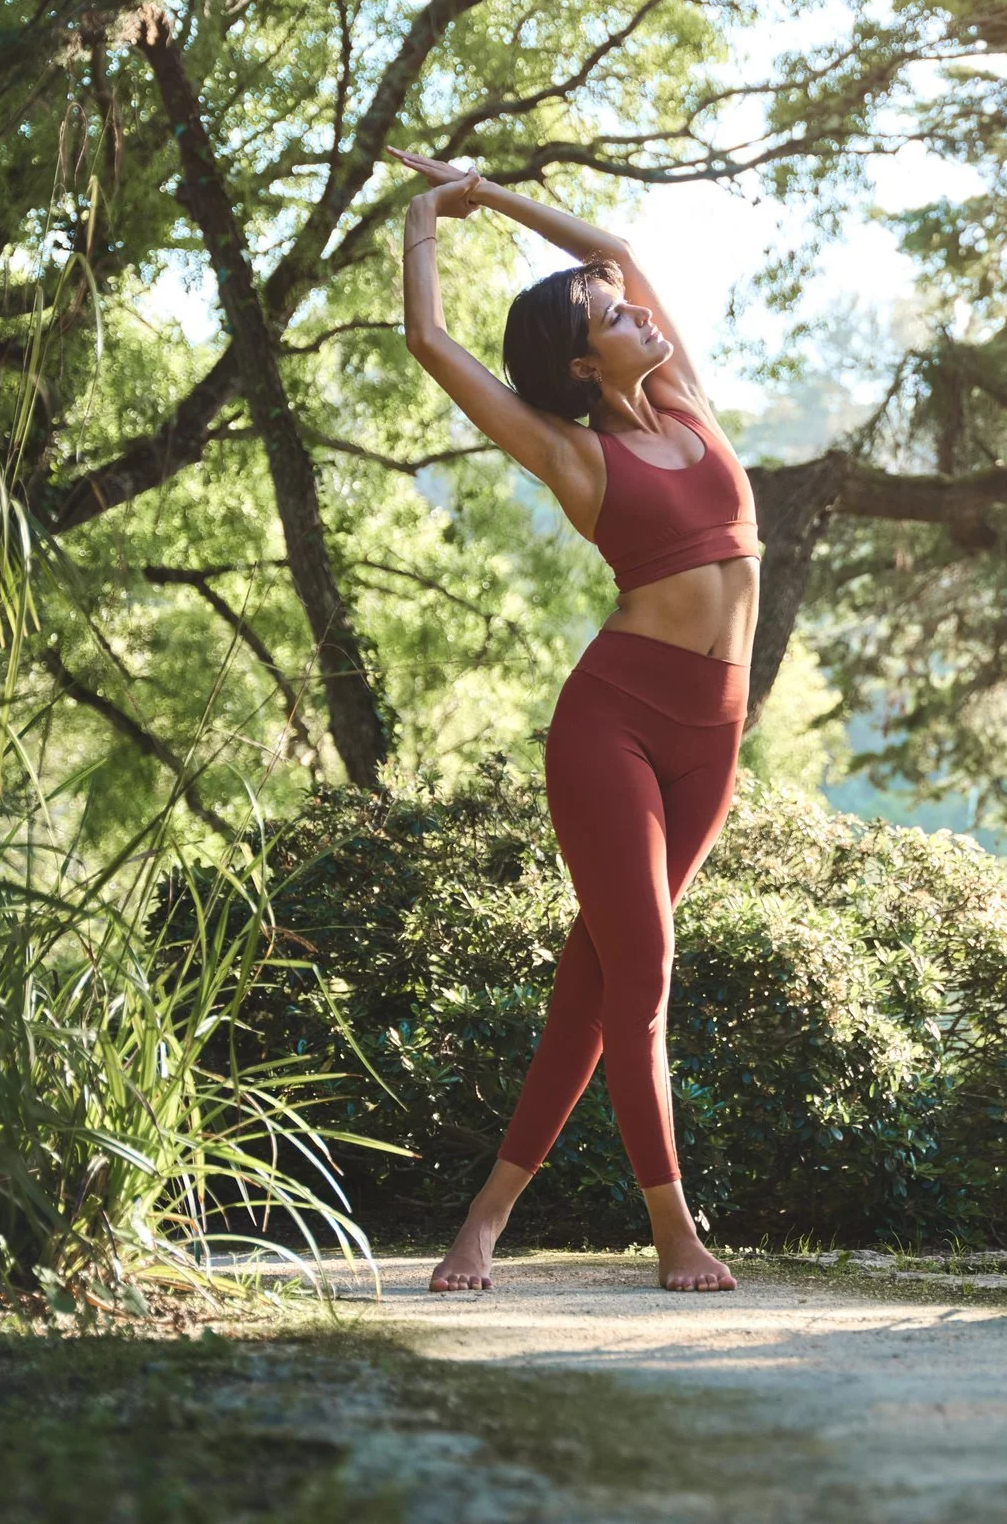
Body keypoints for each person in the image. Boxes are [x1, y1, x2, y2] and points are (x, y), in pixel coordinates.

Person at [387, 146, 754, 1294]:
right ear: (580, 364)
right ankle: (674, 1232)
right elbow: (433, 348)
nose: (633, 304)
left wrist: (489, 188)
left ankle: (485, 1217)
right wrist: (425, 222)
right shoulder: (575, 454)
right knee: (641, 968)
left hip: (715, 733)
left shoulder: (685, 401)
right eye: (609, 314)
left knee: (594, 978)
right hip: (616, 725)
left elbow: (615, 250)